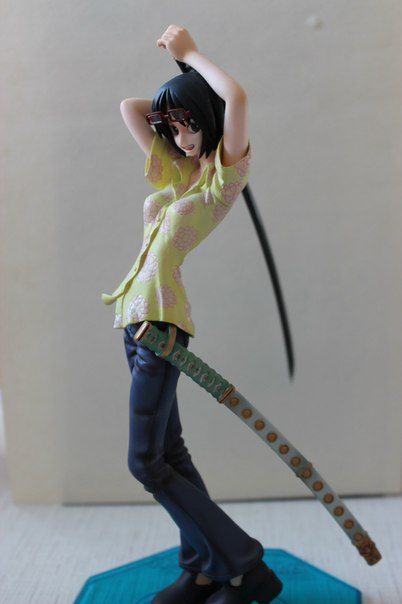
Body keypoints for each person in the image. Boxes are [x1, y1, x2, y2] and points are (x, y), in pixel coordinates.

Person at [102, 25, 283, 604]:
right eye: (172, 128)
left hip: (163, 325)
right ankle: (203, 568)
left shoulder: (222, 180)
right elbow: (130, 108)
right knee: (171, 453)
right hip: (134, 323)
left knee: (145, 462)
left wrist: (192, 57)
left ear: (210, 121)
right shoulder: (180, 172)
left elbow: (237, 98)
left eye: (188, 125)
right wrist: (174, 99)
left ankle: (244, 563)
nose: (178, 138)